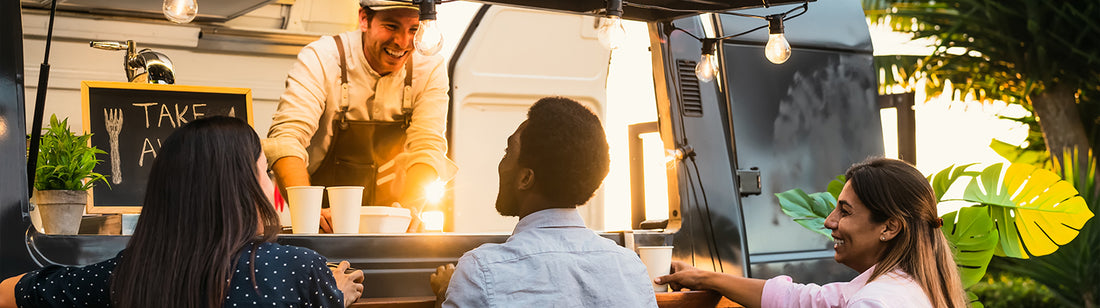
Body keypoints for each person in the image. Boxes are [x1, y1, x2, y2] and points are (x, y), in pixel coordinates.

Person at [0, 116, 365, 308]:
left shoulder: (126, 273)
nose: (270, 184)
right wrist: (333, 294)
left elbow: (7, 293)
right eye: (264, 171)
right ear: (242, 186)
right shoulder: (299, 269)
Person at [428, 97, 658, 307]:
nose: (502, 163)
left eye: (508, 151)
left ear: (526, 178)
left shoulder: (481, 270)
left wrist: (445, 293)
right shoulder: (631, 269)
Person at [656, 158, 968, 308]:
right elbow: (799, 299)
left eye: (844, 211)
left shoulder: (876, 302)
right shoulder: (914, 285)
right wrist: (702, 278)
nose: (829, 221)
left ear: (889, 227)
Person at [264, 0, 455, 232]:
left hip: (393, 219)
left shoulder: (430, 67)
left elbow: (427, 145)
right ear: (364, 19)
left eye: (414, 29)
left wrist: (410, 209)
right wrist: (309, 213)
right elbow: (286, 139)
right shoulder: (322, 57)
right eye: (391, 26)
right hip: (325, 222)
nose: (403, 42)